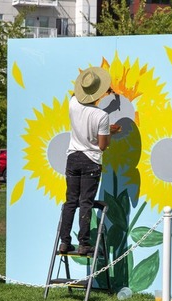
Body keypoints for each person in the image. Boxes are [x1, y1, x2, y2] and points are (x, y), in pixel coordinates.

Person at [59, 67, 120, 255]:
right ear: (100, 93)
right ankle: (84, 243)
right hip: (90, 160)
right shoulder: (101, 116)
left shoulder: (72, 103)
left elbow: (77, 97)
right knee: (85, 202)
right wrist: (110, 132)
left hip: (73, 158)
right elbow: (102, 146)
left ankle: (65, 242)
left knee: (71, 202)